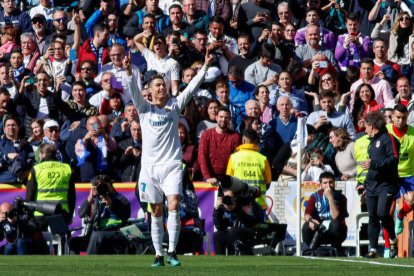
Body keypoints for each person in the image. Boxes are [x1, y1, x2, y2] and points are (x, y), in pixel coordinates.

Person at [127, 47, 213, 266]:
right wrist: (128, 72)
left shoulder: (174, 106)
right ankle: (158, 254)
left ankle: (173, 251)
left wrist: (205, 66)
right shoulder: (144, 109)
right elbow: (134, 91)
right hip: (149, 167)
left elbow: (192, 88)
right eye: (157, 85)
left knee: (173, 203)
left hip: (172, 165)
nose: (162, 87)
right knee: (156, 210)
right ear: (150, 89)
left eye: (163, 84)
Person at [360, 111, 400, 258]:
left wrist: (374, 164)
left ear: (372, 125)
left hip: (387, 184)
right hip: (371, 185)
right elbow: (372, 167)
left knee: (382, 213)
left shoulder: (388, 138)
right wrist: (363, 183)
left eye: (366, 125)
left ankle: (394, 239)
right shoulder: (371, 143)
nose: (364, 129)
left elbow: (394, 159)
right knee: (372, 217)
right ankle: (373, 249)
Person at [68, 175, 131, 255]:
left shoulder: (120, 199)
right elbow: (81, 214)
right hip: (98, 233)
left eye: (104, 185)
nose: (102, 188)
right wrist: (90, 196)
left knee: (97, 235)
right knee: (72, 242)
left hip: (115, 232)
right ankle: (74, 265)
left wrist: (111, 204)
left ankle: (89, 263)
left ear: (110, 185)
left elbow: (126, 214)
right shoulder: (96, 199)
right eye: (99, 186)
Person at [213, 176, 265, 255]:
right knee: (217, 235)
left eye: (227, 189)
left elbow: (252, 223)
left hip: (250, 234)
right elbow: (220, 227)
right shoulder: (225, 204)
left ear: (236, 194)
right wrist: (217, 210)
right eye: (224, 190)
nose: (224, 192)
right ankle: (220, 262)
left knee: (233, 231)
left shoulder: (248, 203)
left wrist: (236, 210)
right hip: (234, 234)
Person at [26, 143, 75, 225]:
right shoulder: (67, 168)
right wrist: (69, 215)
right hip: (62, 213)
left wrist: (30, 215)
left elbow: (30, 194)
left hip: (40, 214)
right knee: (62, 237)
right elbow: (72, 195)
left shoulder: (36, 169)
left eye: (40, 154)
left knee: (42, 237)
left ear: (43, 154)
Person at [386, 105, 414, 239]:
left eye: (403, 118)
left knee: (412, 201)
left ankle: (401, 214)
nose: (400, 120)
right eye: (398, 117)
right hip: (391, 174)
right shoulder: (385, 132)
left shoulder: (413, 132)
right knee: (388, 210)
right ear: (392, 117)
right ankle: (388, 246)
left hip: (409, 173)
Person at [302, 172, 348, 253]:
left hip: (336, 233)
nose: (328, 185)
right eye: (325, 183)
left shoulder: (341, 197)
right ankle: (311, 249)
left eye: (331, 182)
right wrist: (311, 220)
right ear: (320, 184)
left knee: (335, 224)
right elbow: (307, 214)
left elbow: (335, 216)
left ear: (334, 183)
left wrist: (330, 197)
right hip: (318, 230)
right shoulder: (314, 197)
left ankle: (337, 249)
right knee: (306, 226)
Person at [226, 129, 271, 210]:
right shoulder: (263, 159)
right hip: (258, 205)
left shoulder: (233, 158)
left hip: (239, 204)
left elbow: (228, 182)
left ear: (243, 140)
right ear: (256, 141)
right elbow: (268, 182)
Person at [198, 106, 241, 186]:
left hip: (229, 178)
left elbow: (237, 160)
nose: (223, 119)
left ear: (230, 119)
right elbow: (202, 157)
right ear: (216, 117)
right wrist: (208, 177)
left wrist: (231, 177)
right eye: (221, 117)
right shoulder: (206, 134)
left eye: (226, 117)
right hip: (209, 178)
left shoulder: (235, 136)